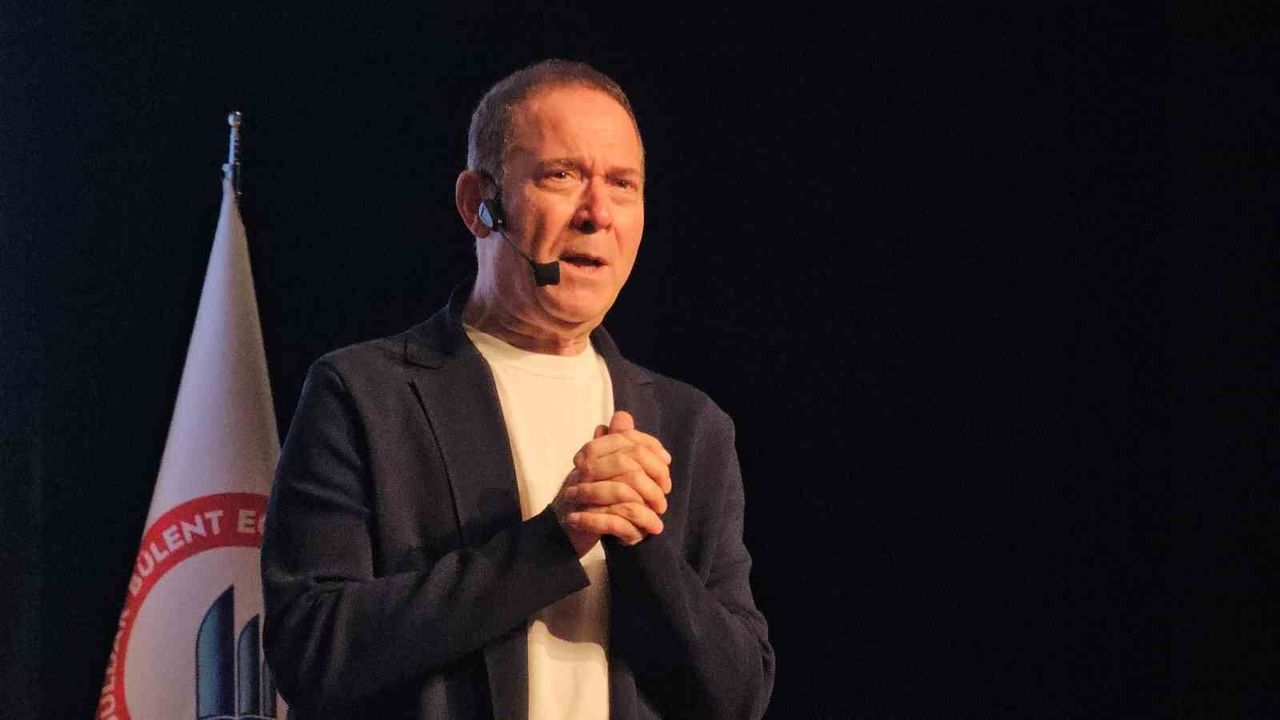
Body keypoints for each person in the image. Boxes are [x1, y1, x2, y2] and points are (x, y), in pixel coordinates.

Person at [261, 59, 774, 719]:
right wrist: (552, 542)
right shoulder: (364, 395)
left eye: (623, 184)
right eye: (562, 175)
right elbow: (311, 651)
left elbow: (739, 696)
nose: (598, 213)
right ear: (478, 204)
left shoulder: (691, 424)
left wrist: (641, 539)